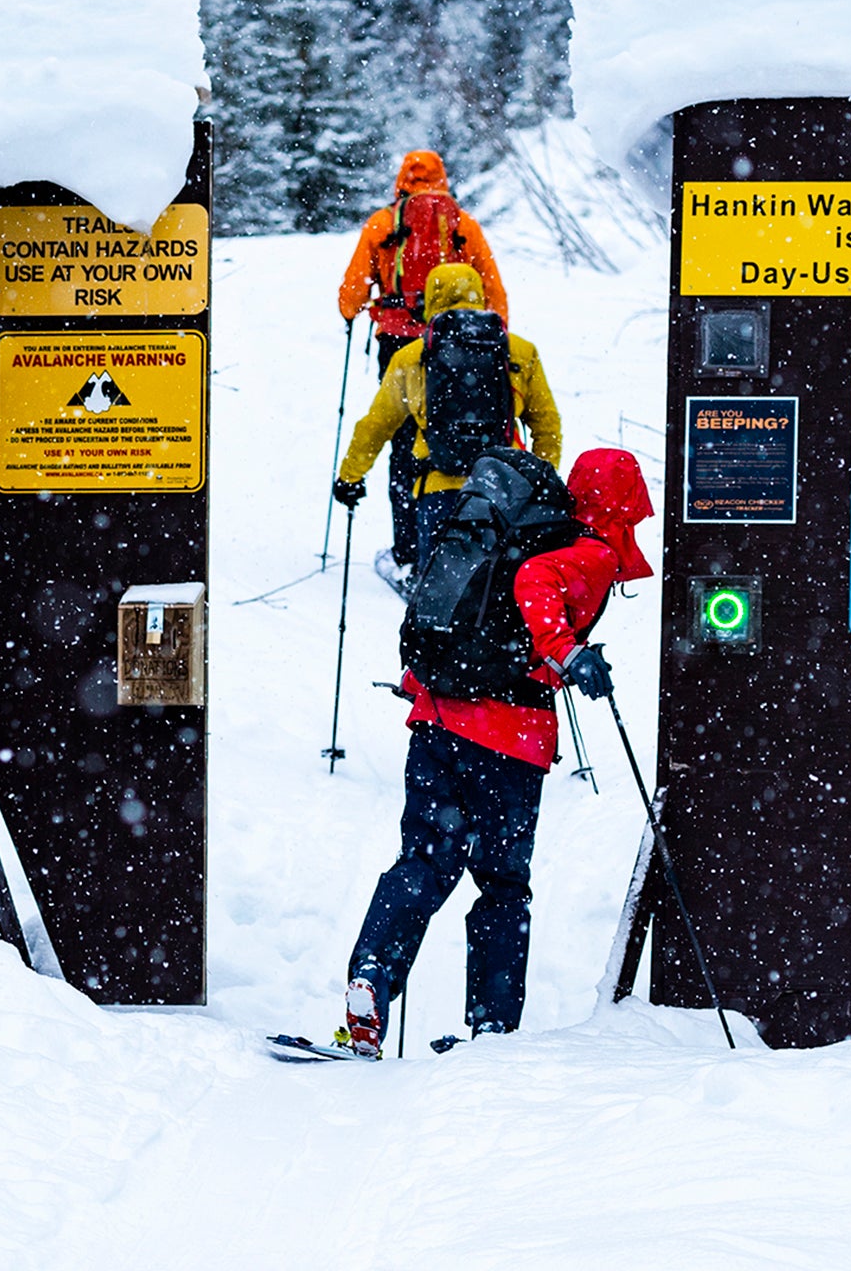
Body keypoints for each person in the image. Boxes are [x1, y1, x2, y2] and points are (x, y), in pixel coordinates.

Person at [338, 448, 655, 1056]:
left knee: (423, 864)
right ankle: (492, 1030)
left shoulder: (520, 532)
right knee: (503, 884)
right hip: (507, 740)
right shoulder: (588, 552)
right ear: (626, 503)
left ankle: (372, 978)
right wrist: (564, 650)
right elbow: (532, 587)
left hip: (438, 717)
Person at [337, 152, 508, 582]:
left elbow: (351, 293)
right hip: (462, 346)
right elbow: (493, 288)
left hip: (398, 344)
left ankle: (409, 550)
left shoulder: (383, 224)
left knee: (403, 443)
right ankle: (463, 543)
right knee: (457, 440)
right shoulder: (463, 225)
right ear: (442, 179)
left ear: (402, 180)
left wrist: (351, 310)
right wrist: (496, 341)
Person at [332, 262, 561, 573]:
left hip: (438, 488)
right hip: (502, 491)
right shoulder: (520, 352)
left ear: (431, 299)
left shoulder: (411, 356)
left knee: (438, 591)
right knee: (496, 591)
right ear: (479, 294)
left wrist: (350, 478)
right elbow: (546, 423)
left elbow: (376, 425)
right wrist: (541, 480)